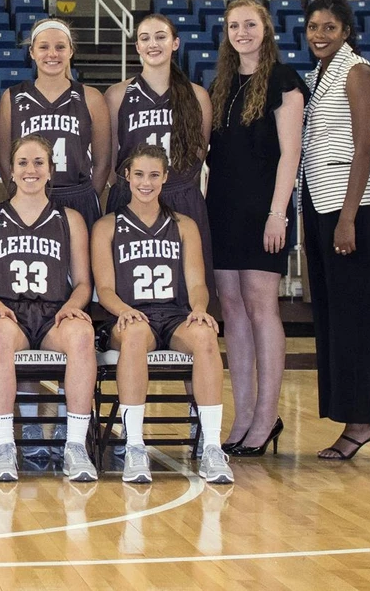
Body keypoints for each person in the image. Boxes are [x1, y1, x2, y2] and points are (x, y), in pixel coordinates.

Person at [92, 145, 233, 485]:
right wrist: (125, 312)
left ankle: (212, 446)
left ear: (165, 178)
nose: (146, 182)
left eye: (154, 175)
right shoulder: (107, 226)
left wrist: (199, 311)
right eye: (139, 174)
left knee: (203, 335)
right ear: (126, 176)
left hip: (173, 314)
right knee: (137, 334)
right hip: (128, 316)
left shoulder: (184, 225)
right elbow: (106, 289)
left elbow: (198, 283)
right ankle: (135, 445)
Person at [205, 0, 306, 457]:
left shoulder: (285, 81)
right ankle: (243, 414)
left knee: (262, 307)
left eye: (250, 24)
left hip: (265, 211)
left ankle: (267, 416)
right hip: (222, 208)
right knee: (232, 309)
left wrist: (277, 212)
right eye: (233, 26)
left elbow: (291, 153)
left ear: (266, 29)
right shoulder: (221, 84)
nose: (241, 32)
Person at [0, 134, 97, 482]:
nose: (31, 170)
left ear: (50, 170)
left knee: (83, 334)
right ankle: (3, 447)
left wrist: (73, 306)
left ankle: (74, 446)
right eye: (23, 163)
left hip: (55, 311)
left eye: (39, 162)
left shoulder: (69, 218)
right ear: (11, 172)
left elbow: (84, 282)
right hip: (9, 311)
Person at [299, 0, 370, 460]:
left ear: (346, 31)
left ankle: (362, 423)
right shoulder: (317, 76)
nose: (319, 34)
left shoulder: (358, 73)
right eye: (313, 26)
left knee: (354, 318)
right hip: (320, 204)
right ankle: (351, 417)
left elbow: (365, 147)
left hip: (351, 209)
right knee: (332, 317)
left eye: (329, 27)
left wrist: (349, 218)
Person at [104, 13, 212, 275]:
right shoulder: (117, 95)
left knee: (188, 284)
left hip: (181, 195)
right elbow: (110, 160)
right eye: (145, 38)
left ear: (175, 43)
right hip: (132, 196)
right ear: (138, 47)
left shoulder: (197, 95)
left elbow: (199, 155)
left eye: (161, 37)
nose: (153, 44)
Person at [0, 18, 110, 229]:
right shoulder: (12, 97)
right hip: (30, 198)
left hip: (78, 198)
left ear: (71, 51)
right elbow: (4, 159)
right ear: (32, 52)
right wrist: (22, 194)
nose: (52, 54)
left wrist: (86, 196)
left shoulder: (91, 98)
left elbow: (102, 162)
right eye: (44, 47)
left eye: (60, 47)